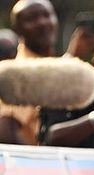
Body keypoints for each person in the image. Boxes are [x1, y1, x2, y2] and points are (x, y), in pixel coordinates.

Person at [0, 0, 57, 144]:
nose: (42, 23)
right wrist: (39, 160)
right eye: (32, 18)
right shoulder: (21, 72)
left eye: (47, 15)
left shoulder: (50, 65)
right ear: (18, 29)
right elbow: (5, 132)